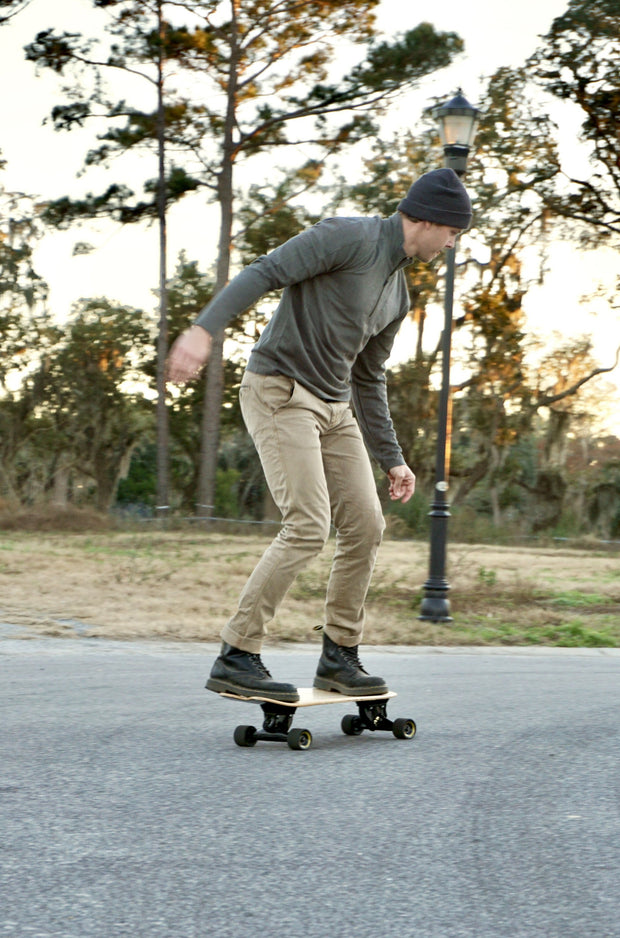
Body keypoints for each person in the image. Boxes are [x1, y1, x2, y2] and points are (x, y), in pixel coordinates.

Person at [167, 166, 472, 703]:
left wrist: (392, 458)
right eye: (453, 231)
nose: (453, 242)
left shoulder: (398, 294)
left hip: (334, 409)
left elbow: (367, 377)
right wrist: (202, 330)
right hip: (280, 391)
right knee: (308, 524)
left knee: (367, 524)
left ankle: (339, 656)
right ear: (428, 219)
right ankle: (237, 653)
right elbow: (265, 271)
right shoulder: (347, 237)